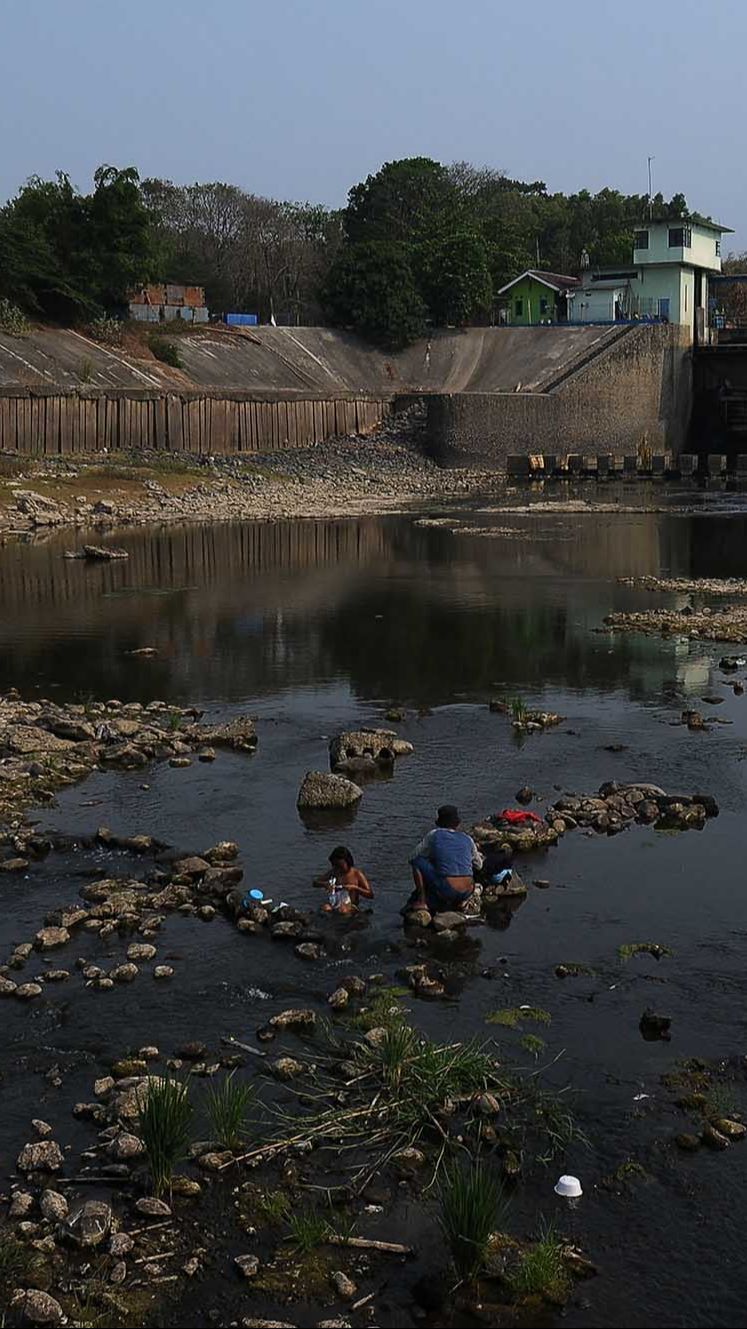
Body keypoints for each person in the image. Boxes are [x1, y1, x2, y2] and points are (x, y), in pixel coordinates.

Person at [408, 805, 483, 914]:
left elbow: (412, 857)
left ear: (439, 822)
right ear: (457, 824)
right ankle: (462, 901)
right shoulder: (467, 839)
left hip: (448, 890)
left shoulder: (434, 835)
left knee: (417, 862)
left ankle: (422, 901)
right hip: (468, 890)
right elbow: (479, 865)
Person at [313, 846, 373, 915]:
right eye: (335, 866)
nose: (339, 869)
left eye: (340, 866)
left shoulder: (357, 874)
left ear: (347, 861)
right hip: (335, 902)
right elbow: (315, 883)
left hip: (350, 905)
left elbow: (370, 894)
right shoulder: (334, 872)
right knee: (325, 908)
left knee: (343, 910)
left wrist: (355, 888)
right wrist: (325, 884)